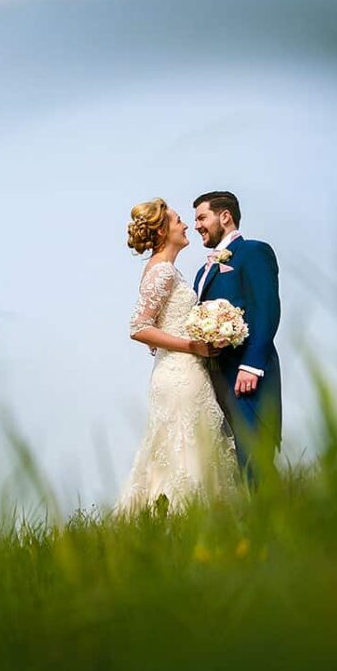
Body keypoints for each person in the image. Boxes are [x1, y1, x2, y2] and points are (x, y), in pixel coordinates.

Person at [117, 198, 236, 513]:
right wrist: (192, 346)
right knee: (185, 448)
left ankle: (184, 516)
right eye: (179, 220)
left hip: (182, 370)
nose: (186, 226)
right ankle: (182, 516)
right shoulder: (163, 272)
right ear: (161, 230)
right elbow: (138, 327)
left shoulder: (168, 271)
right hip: (180, 373)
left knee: (186, 446)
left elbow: (157, 325)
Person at [188, 190, 281, 485]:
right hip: (213, 376)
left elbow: (267, 307)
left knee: (254, 453)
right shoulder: (203, 270)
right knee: (229, 460)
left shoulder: (254, 251)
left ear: (224, 216)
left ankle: (271, 518)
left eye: (202, 217)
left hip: (245, 374)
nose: (197, 225)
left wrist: (251, 365)